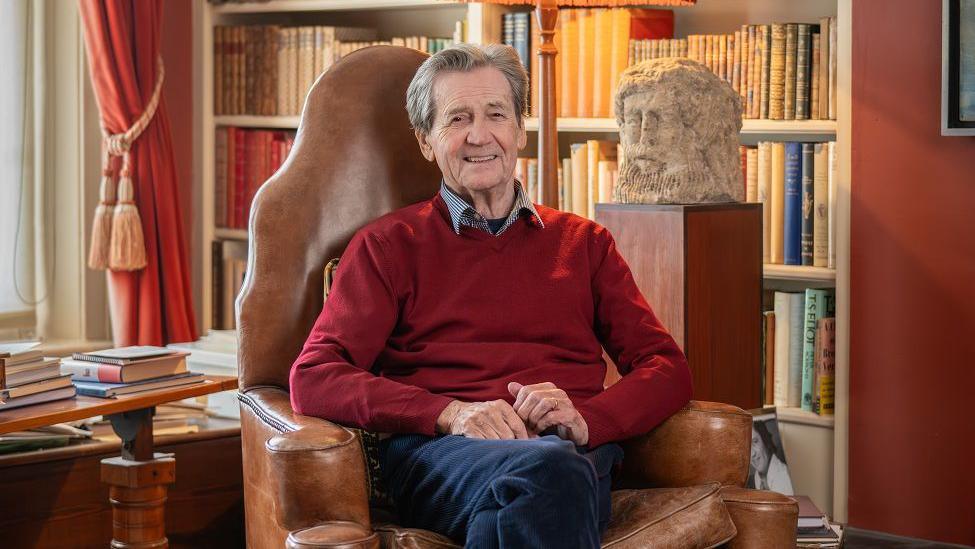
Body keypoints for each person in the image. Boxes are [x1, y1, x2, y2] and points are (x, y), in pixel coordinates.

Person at [289, 43, 692, 548]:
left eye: (496, 114)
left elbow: (666, 366)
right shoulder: (388, 247)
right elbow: (314, 376)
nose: (479, 136)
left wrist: (587, 421)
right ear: (426, 142)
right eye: (457, 119)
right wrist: (450, 413)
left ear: (519, 130)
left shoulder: (584, 243)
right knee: (553, 475)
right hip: (444, 456)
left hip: (568, 450)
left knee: (538, 486)